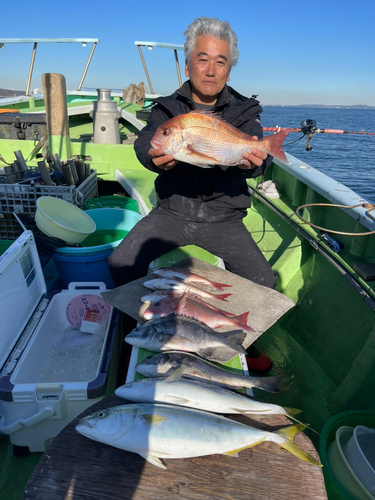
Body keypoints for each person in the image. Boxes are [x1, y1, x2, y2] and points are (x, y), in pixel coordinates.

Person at [108, 17, 276, 371]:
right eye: (203, 59)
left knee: (264, 281)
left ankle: (242, 342)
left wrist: (252, 164)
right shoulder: (168, 108)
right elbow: (146, 142)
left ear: (229, 70)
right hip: (172, 213)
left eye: (220, 61)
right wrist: (155, 158)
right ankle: (135, 331)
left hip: (224, 217)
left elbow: (256, 161)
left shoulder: (246, 112)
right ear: (188, 65)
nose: (211, 69)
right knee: (120, 262)